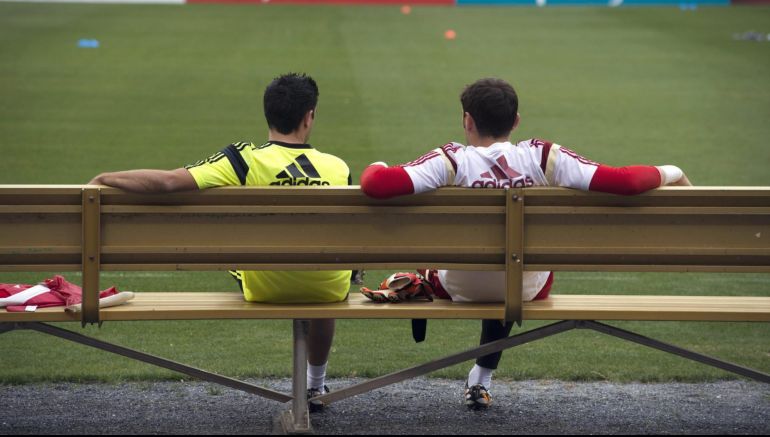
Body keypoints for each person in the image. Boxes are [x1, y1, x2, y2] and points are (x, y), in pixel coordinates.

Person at [359, 77, 691, 410]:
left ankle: (415, 287)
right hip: (528, 286)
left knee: (459, 263)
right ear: (516, 121)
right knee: (511, 262)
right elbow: (627, 181)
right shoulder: (544, 156)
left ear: (467, 120)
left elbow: (376, 183)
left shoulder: (451, 161)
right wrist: (672, 171)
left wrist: (377, 164)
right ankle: (481, 378)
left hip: (458, 285)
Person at [89, 72, 351, 411]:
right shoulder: (337, 167)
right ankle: (315, 385)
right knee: (322, 265)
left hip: (266, 288)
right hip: (328, 290)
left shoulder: (242, 159)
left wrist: (104, 179)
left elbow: (169, 182)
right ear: (309, 116)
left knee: (244, 247)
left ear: (268, 114)